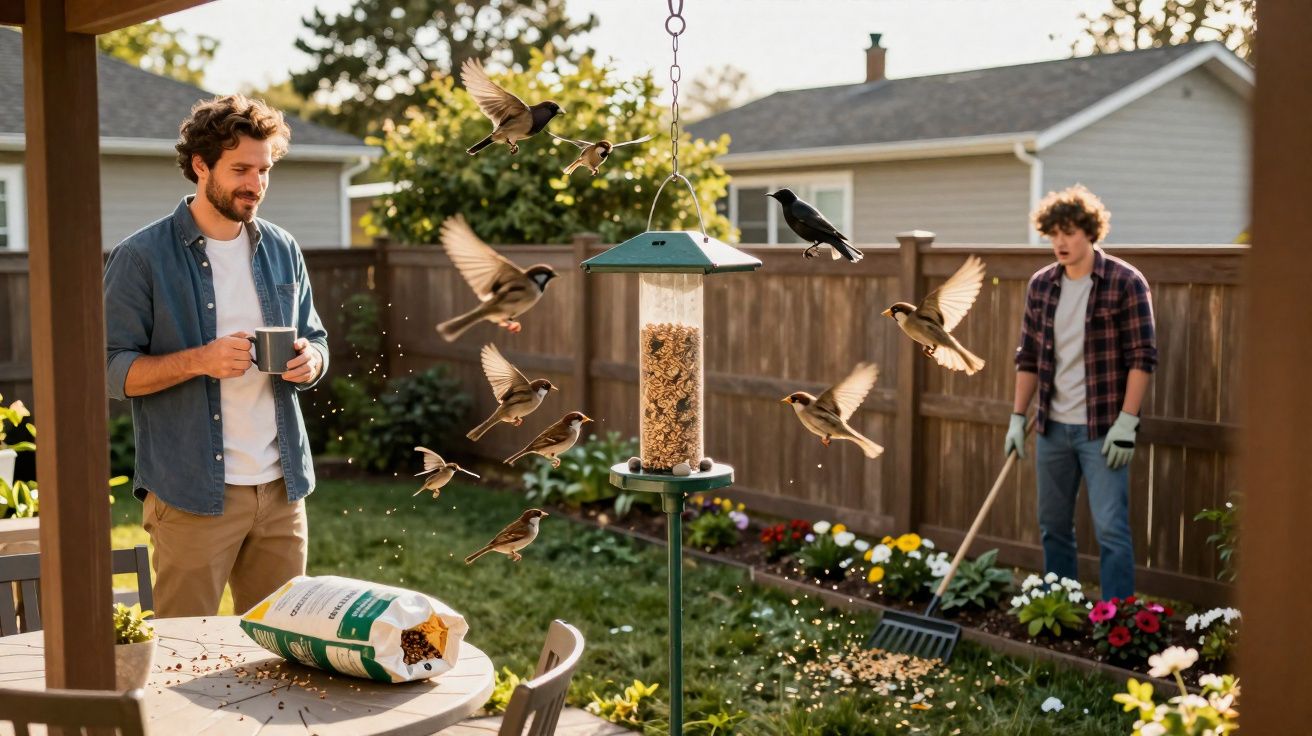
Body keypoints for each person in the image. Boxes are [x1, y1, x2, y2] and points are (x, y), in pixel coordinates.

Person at [104, 95, 329, 617]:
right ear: (200, 166)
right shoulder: (141, 258)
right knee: (185, 655)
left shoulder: (282, 248)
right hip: (191, 494)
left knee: (283, 654)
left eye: (264, 169)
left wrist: (310, 361)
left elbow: (315, 337)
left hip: (281, 491)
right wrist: (199, 360)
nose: (256, 184)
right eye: (241, 170)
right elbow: (111, 371)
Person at [1005, 185, 1156, 600]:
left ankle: (1119, 619)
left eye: (1069, 232)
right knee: (1053, 526)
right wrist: (1018, 417)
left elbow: (1143, 357)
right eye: (1053, 233)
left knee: (1111, 529)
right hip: (1052, 427)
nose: (1060, 242)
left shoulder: (1125, 283)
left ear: (1090, 233)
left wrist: (1127, 421)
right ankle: (1061, 608)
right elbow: (1029, 356)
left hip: (1103, 430)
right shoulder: (1042, 286)